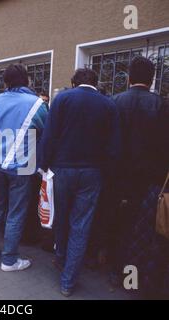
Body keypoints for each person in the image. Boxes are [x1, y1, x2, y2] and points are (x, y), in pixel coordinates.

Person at [39, 68, 120, 296]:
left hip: (62, 169)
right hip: (92, 172)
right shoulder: (108, 104)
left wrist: (43, 165)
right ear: (96, 82)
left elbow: (50, 135)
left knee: (61, 216)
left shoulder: (62, 98)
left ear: (74, 82)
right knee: (81, 225)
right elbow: (113, 146)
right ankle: (68, 281)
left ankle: (60, 257)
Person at [108, 56, 169, 288]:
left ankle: (116, 268)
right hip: (149, 177)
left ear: (129, 78)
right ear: (152, 79)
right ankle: (136, 273)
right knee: (141, 227)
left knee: (117, 221)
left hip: (117, 174)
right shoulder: (161, 104)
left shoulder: (114, 101)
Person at [0, 64, 47, 271]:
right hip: (21, 165)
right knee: (15, 213)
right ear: (27, 80)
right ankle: (9, 260)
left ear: (5, 82)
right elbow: (46, 130)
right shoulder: (37, 103)